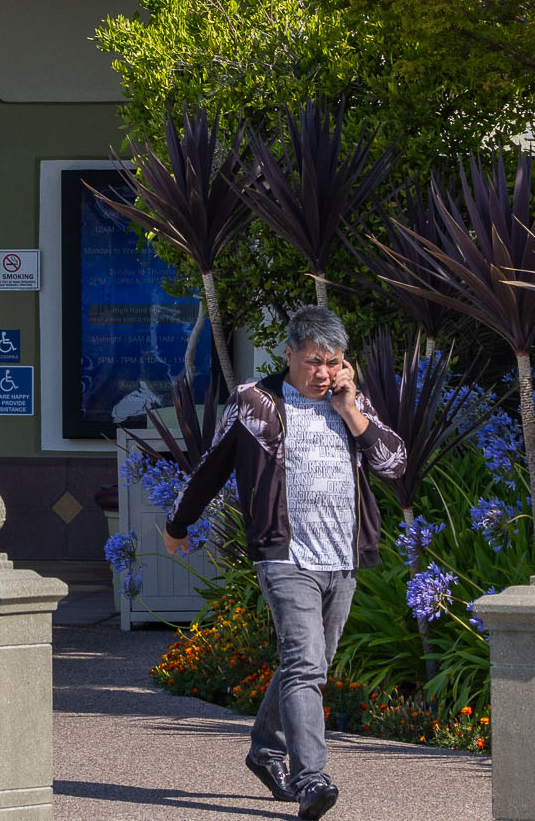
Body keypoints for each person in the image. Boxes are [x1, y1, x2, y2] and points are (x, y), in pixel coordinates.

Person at [166, 305, 407, 820]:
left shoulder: (351, 401)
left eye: (334, 362)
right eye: (314, 362)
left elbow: (394, 464)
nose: (323, 373)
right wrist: (178, 523)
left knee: (313, 663)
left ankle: (264, 749)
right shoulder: (256, 402)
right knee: (304, 663)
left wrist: (350, 410)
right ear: (291, 353)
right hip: (286, 554)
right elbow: (212, 464)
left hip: (343, 557)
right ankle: (311, 777)